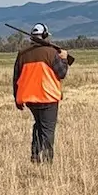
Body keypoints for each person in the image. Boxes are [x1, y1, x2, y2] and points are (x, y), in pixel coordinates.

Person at [13, 23, 69, 164]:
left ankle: (35, 156)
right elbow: (62, 73)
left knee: (38, 125)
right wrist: (64, 58)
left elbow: (16, 79)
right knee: (48, 130)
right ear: (44, 36)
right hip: (48, 97)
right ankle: (47, 161)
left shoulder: (22, 54)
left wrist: (17, 100)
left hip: (30, 99)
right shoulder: (51, 53)